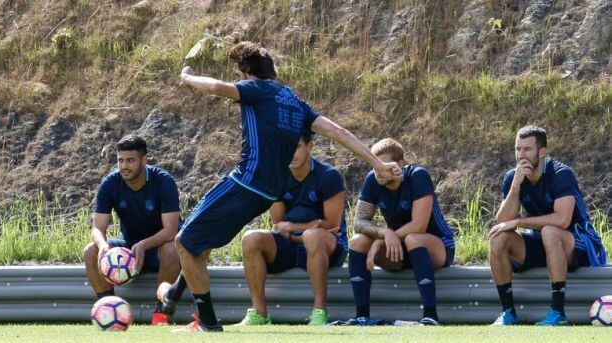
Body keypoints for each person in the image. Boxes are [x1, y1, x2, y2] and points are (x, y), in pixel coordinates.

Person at [156, 41, 402, 332]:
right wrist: (375, 162)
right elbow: (338, 132)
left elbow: (215, 88)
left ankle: (207, 323)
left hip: (245, 182)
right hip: (269, 194)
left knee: (185, 241)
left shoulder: (256, 89)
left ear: (247, 72)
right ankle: (174, 292)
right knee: (200, 237)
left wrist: (187, 77)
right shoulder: (295, 102)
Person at [488, 125, 606, 326]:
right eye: (517, 149)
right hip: (543, 240)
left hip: (579, 242)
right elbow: (503, 220)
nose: (520, 155)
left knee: (550, 231)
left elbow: (562, 220)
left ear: (542, 152)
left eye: (527, 149)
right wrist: (515, 186)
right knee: (499, 236)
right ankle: (508, 313)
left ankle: (558, 313)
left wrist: (519, 222)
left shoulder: (561, 173)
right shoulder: (513, 177)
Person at [239, 133, 348, 325]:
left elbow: (331, 225)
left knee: (314, 237)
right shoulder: (277, 177)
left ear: (310, 147)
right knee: (251, 238)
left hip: (328, 247)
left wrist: (296, 229)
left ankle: (319, 313)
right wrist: (301, 231)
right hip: (292, 244)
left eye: (296, 146)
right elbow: (279, 224)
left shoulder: (329, 176)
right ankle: (259, 314)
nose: (290, 152)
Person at [345, 138, 455, 326]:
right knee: (358, 241)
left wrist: (382, 239)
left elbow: (418, 226)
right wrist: (384, 233)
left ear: (400, 164)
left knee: (413, 238)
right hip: (398, 250)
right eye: (375, 165)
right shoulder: (373, 178)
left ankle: (430, 316)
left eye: (384, 165)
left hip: (436, 246)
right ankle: (362, 316)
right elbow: (359, 223)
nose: (379, 170)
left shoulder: (417, 176)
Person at [84, 134, 181, 326]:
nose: (124, 166)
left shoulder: (163, 182)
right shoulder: (111, 183)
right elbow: (97, 227)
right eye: (120, 160)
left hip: (159, 247)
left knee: (172, 248)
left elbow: (171, 231)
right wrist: (103, 245)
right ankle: (109, 308)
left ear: (144, 160)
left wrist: (144, 245)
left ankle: (161, 314)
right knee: (91, 250)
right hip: (130, 247)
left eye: (130, 160)